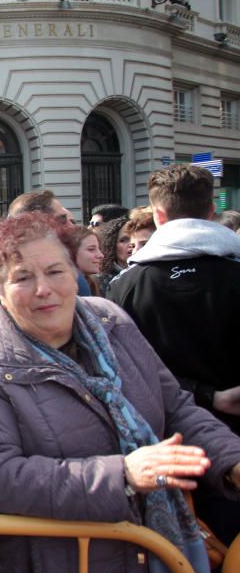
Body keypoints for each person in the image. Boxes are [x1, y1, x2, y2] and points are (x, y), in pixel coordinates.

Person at [0, 211, 240, 573]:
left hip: (158, 554)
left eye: (55, 271)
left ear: (74, 272)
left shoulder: (112, 320)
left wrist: (232, 460)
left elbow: (176, 407)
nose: (43, 289)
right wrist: (121, 475)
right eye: (23, 277)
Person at [109, 165, 240, 430]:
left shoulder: (125, 285)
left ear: (158, 215)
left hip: (166, 433)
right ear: (211, 211)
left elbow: (122, 367)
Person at [96, 215, 130, 298]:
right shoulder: (101, 280)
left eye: (134, 238)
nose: (131, 244)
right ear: (112, 245)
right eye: (123, 240)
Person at [73, 225, 104, 296]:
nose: (101, 255)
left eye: (99, 248)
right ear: (71, 251)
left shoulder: (91, 283)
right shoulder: (76, 283)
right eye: (91, 249)